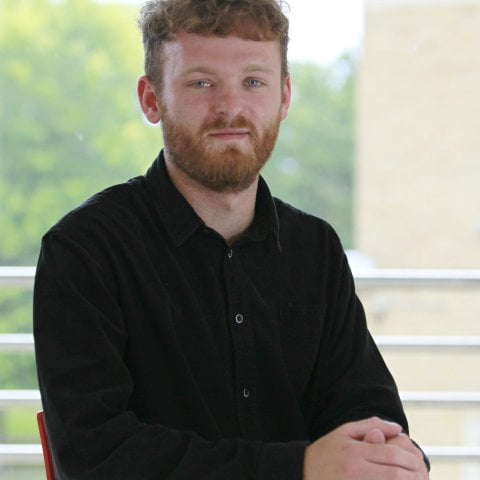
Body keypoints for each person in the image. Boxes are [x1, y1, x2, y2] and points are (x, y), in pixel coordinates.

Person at [33, 0, 430, 479]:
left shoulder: (316, 249)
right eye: (201, 83)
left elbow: (369, 414)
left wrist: (385, 455)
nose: (231, 108)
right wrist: (299, 467)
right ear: (151, 99)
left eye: (254, 82)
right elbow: (95, 456)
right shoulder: (84, 251)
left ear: (284, 96)